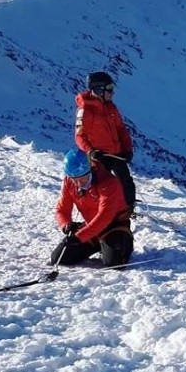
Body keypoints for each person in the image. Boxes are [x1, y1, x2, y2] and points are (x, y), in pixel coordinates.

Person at [51, 148, 133, 267]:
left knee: (114, 262)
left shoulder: (109, 183)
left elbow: (104, 217)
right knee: (58, 258)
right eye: (75, 180)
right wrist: (66, 225)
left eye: (82, 179)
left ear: (90, 170)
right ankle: (99, 243)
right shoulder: (69, 182)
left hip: (113, 225)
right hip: (91, 226)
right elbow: (62, 209)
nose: (79, 184)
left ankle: (122, 241)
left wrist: (79, 237)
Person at [75, 71, 136, 212]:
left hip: (117, 153)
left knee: (126, 181)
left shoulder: (111, 107)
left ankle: (128, 209)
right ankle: (99, 212)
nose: (112, 92)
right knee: (101, 185)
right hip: (100, 156)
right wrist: (90, 151)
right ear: (99, 90)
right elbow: (79, 136)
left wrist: (127, 149)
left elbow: (121, 130)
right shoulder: (85, 110)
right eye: (109, 89)